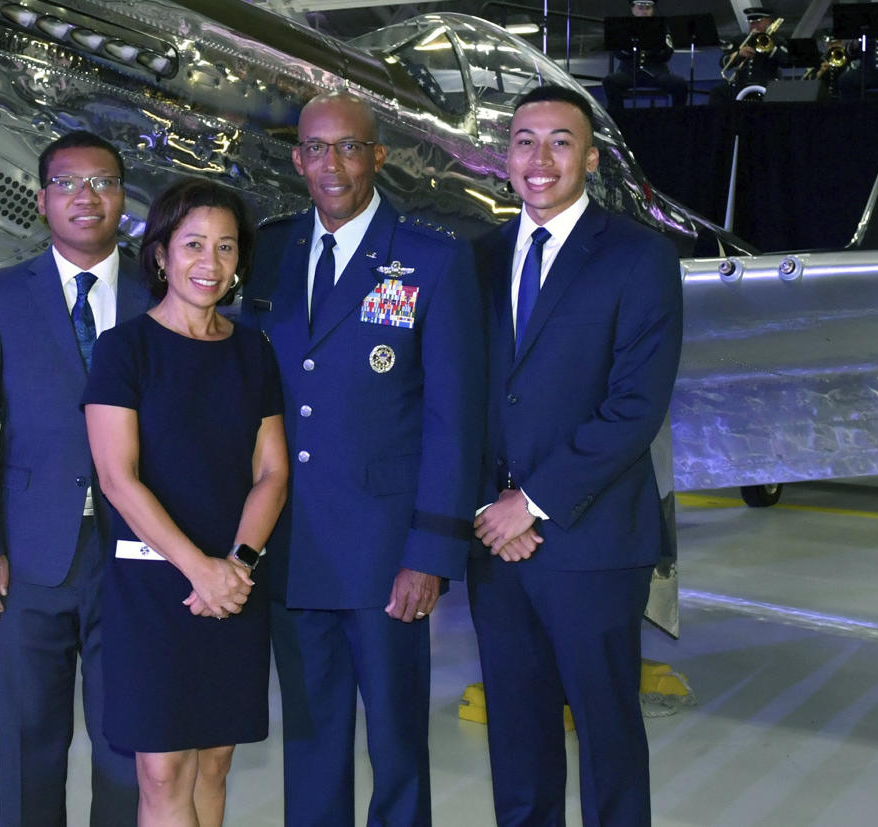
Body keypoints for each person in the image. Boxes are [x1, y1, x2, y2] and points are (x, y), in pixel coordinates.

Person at [240, 91, 485, 826]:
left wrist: (430, 553)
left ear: (377, 156)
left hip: (386, 555)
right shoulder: (270, 252)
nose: (332, 164)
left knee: (397, 741)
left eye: (349, 147)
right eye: (316, 148)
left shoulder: (430, 261)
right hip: (290, 548)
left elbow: (453, 418)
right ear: (297, 159)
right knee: (310, 739)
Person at [469, 84, 683, 826]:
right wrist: (488, 506)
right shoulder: (478, 258)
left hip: (591, 543)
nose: (540, 158)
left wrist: (527, 502)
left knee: (607, 737)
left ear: (589, 157)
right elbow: (458, 400)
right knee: (517, 739)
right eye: (524, 140)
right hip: (495, 546)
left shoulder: (638, 258)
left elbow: (634, 407)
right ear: (505, 157)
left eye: (560, 141)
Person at [0, 130, 148, 827]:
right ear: (40, 201)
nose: (84, 197)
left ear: (123, 198)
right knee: (30, 735)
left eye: (101, 182)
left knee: (126, 739)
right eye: (66, 184)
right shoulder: (1, 296)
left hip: (137, 553)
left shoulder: (161, 294)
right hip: (30, 552)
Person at [83, 179, 288, 827]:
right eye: (193, 244)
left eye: (225, 248)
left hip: (232, 583)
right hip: (153, 584)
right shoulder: (124, 349)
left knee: (215, 759)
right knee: (163, 766)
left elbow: (272, 472)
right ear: (161, 255)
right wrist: (199, 569)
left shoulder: (252, 351)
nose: (210, 262)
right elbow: (118, 478)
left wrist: (237, 563)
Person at [601, 0, 688, 110]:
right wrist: (631, 49)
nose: (644, 12)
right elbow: (617, 52)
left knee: (680, 84)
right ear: (633, 9)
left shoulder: (662, 26)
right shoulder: (622, 27)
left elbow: (667, 54)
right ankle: (619, 117)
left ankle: (678, 118)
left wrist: (654, 51)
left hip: (656, 73)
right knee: (609, 81)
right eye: (640, 8)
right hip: (629, 72)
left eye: (648, 8)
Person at [709, 6, 789, 106]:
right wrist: (739, 54)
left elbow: (786, 61)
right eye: (751, 22)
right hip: (741, 84)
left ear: (768, 22)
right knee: (718, 92)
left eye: (758, 22)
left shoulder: (777, 40)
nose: (754, 26)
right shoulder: (739, 39)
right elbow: (723, 62)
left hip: (767, 85)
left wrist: (770, 47)